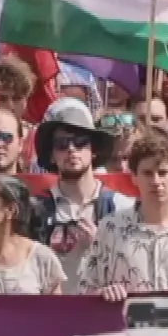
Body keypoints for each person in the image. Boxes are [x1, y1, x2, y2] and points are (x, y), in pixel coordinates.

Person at [77, 132, 168, 301]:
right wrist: (103, 294)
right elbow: (85, 292)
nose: (156, 181)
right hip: (124, 326)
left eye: (163, 172)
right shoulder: (110, 228)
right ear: (134, 177)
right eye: (148, 173)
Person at [27, 99, 129, 290]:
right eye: (61, 144)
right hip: (50, 315)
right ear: (51, 155)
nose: (72, 149)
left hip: (101, 315)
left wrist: (100, 247)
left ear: (94, 150)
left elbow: (133, 273)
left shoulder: (121, 207)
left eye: (80, 141)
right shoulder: (35, 210)